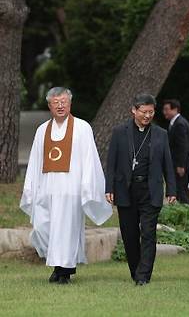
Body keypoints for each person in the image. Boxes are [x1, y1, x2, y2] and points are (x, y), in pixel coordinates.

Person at [20, 87, 112, 284]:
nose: (60, 106)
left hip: (71, 190)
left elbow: (89, 160)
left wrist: (87, 187)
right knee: (43, 228)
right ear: (50, 105)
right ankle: (57, 266)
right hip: (47, 189)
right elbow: (35, 162)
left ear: (70, 103)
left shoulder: (82, 128)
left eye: (64, 102)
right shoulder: (42, 130)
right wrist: (31, 189)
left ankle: (64, 272)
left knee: (67, 231)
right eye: (56, 102)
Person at [105, 93, 177, 286]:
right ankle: (136, 270)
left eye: (151, 112)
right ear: (134, 110)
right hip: (125, 189)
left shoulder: (161, 133)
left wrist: (171, 189)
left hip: (150, 189)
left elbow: (167, 163)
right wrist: (108, 187)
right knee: (129, 235)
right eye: (143, 112)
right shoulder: (120, 132)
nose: (147, 116)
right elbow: (111, 163)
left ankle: (144, 275)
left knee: (148, 233)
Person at [162, 99, 189, 204]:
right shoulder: (175, 123)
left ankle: (186, 215)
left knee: (181, 191)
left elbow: (182, 146)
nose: (164, 112)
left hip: (181, 165)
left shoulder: (180, 124)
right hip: (176, 163)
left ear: (175, 109)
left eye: (167, 109)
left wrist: (181, 165)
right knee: (179, 191)